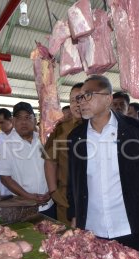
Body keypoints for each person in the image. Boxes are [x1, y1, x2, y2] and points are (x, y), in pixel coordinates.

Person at [67, 75, 139, 256]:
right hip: (91, 225)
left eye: (88, 95)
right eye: (80, 97)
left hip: (128, 221)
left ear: (108, 98)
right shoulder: (76, 136)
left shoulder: (133, 130)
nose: (82, 102)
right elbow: (73, 180)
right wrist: (74, 213)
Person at [0, 102, 56, 218]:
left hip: (49, 204)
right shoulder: (7, 145)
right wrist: (28, 196)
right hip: (23, 207)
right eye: (19, 118)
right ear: (13, 122)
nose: (23, 122)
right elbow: (5, 178)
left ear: (34, 120)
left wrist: (51, 191)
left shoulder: (44, 140)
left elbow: (54, 167)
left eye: (28, 118)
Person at [43, 83, 83, 225]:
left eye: (81, 99)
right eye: (73, 100)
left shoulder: (100, 127)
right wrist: (54, 191)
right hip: (65, 200)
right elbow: (50, 161)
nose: (76, 104)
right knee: (68, 242)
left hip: (98, 201)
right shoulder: (61, 129)